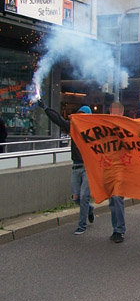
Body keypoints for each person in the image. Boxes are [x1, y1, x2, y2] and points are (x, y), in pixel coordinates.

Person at [38, 100, 94, 235]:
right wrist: (46, 108)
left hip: (88, 168)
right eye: (79, 115)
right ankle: (89, 209)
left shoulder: (94, 132)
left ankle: (82, 225)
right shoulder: (72, 128)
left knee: (84, 196)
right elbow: (58, 120)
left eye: (83, 115)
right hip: (76, 167)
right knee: (76, 198)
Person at [108, 102, 126, 243]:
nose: (113, 115)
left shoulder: (126, 128)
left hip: (121, 169)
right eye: (111, 112)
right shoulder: (105, 129)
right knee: (112, 201)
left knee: (116, 198)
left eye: (116, 112)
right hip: (108, 169)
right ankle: (116, 229)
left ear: (121, 114)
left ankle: (120, 229)